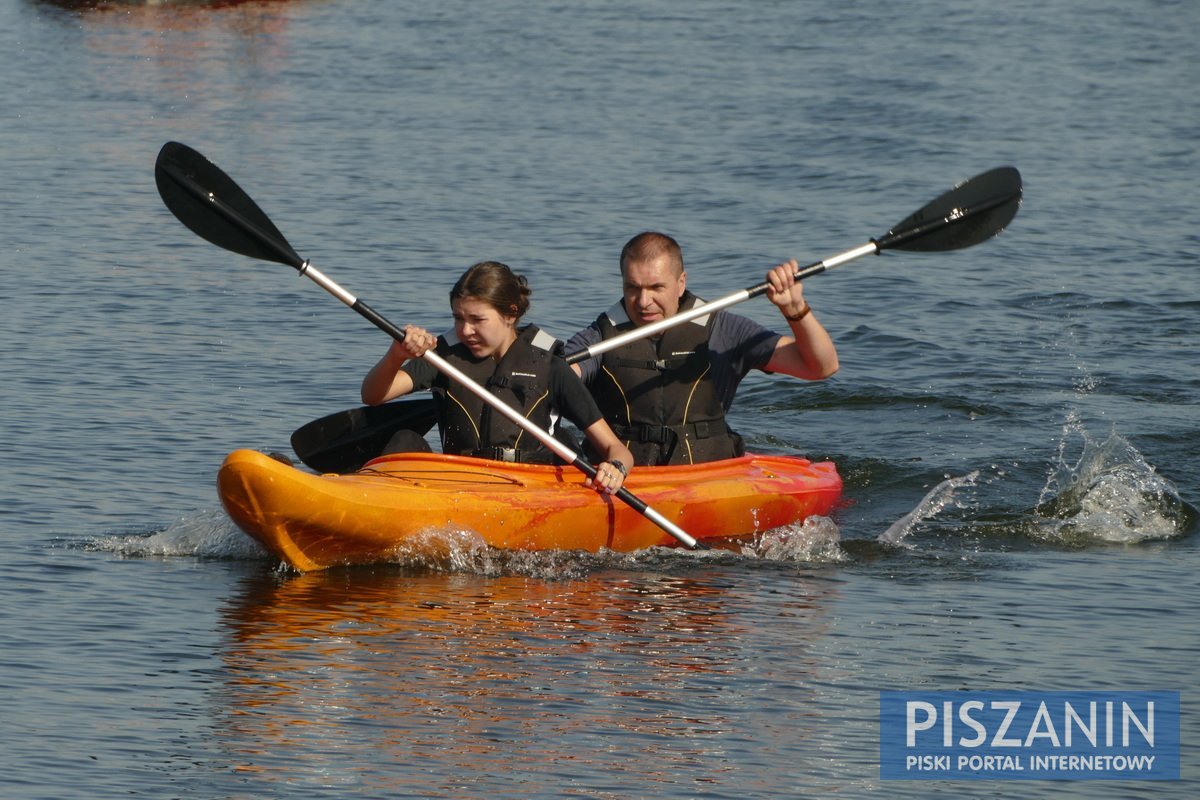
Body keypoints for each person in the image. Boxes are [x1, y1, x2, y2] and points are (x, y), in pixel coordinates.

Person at [565, 231, 839, 466]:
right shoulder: (599, 336)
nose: (644, 301)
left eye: (656, 287)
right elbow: (563, 377)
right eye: (633, 288)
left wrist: (794, 310)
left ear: (681, 282)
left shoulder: (724, 330)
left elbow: (820, 367)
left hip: (707, 472)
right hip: (623, 475)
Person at [362, 261, 634, 495]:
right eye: (458, 318)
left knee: (565, 442)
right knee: (404, 441)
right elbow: (373, 396)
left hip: (529, 489)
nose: (465, 330)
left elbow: (617, 449)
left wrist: (616, 468)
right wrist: (397, 355)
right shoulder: (443, 359)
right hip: (458, 484)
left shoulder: (551, 367)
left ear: (511, 314)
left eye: (477, 319)